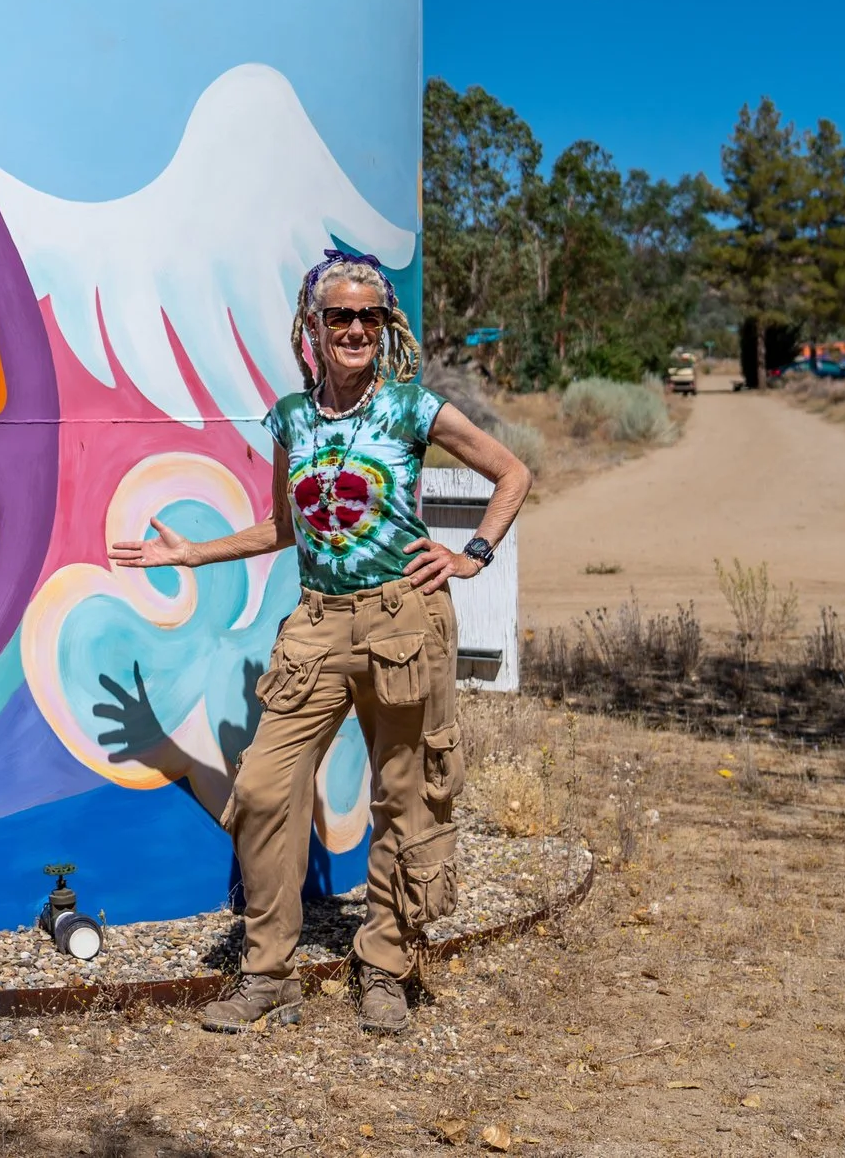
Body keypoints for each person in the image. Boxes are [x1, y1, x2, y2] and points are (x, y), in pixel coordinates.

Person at [109, 253, 531, 1035]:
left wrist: (469, 553)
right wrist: (192, 553)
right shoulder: (291, 419)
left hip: (405, 620)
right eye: (339, 315)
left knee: (405, 796)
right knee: (267, 787)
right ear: (313, 328)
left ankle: (386, 965)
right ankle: (269, 972)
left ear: (385, 323)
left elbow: (511, 471)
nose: (356, 328)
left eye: (370, 314)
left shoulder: (412, 408)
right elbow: (283, 525)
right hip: (317, 623)